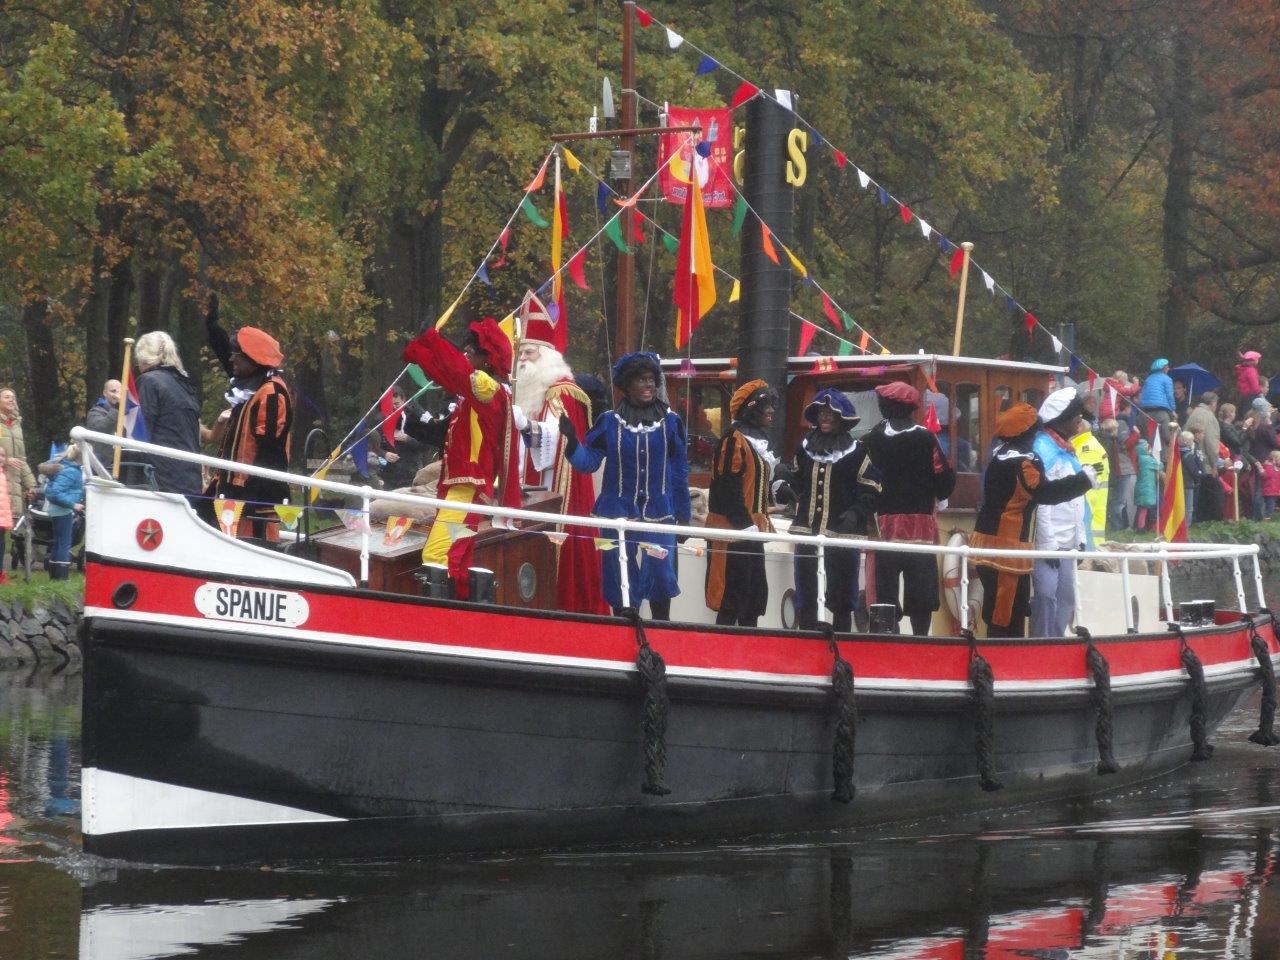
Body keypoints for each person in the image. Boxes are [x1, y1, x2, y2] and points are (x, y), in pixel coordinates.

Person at [562, 352, 691, 620]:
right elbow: (589, 463)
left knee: (661, 572)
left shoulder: (670, 422)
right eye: (642, 380)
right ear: (627, 384)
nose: (649, 385)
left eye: (652, 380)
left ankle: (661, 630)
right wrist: (573, 442)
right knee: (617, 571)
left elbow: (680, 473)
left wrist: (684, 517)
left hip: (660, 513)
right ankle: (621, 630)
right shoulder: (609, 421)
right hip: (614, 511)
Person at [402, 318, 522, 599]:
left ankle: (438, 622)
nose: (466, 355)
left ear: (487, 358)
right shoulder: (477, 392)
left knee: (438, 554)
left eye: (471, 350)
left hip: (468, 486)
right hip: (461, 485)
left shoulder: (487, 388)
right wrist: (419, 352)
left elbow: (456, 370)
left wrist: (431, 341)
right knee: (455, 555)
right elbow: (448, 374)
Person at [512, 304, 607, 616]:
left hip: (556, 489)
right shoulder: (534, 391)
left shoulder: (561, 392)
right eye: (521, 353)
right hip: (532, 487)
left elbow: (558, 439)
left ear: (547, 356)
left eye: (529, 353)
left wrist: (525, 426)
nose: (522, 360)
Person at [973, 403, 1094, 638]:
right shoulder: (1023, 461)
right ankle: (1006, 655)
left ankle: (1002, 651)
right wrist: (1083, 480)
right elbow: (1045, 492)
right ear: (1029, 433)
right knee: (1007, 610)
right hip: (1008, 545)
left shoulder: (999, 455)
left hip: (987, 540)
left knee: (1002, 604)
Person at [779, 388, 881, 633]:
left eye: (830, 414)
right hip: (807, 529)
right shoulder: (805, 448)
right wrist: (784, 485)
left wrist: (856, 512)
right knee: (806, 586)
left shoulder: (856, 451)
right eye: (821, 414)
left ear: (840, 418)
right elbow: (796, 478)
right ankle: (808, 637)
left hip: (844, 532)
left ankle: (842, 640)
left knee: (843, 592)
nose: (824, 419)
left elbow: (872, 488)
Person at [864, 381, 955, 636]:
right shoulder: (927, 438)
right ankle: (920, 638)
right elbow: (943, 475)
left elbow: (863, 479)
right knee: (921, 584)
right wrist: (941, 495)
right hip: (920, 523)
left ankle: (886, 637)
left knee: (885, 585)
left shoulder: (871, 439)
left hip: (884, 523)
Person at [205, 297, 294, 537]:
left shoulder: (272, 393)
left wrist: (250, 498)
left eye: (238, 356)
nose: (232, 359)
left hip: (256, 498)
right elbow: (228, 358)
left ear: (253, 360)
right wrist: (213, 328)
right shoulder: (250, 385)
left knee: (253, 551)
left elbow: (270, 452)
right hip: (232, 491)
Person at [704, 380, 778, 627]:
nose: (771, 411)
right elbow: (726, 487)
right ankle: (720, 652)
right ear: (751, 409)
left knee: (753, 598)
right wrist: (744, 524)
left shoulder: (755, 441)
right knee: (730, 597)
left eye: (771, 405)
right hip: (732, 530)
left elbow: (753, 484)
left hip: (751, 531)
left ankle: (750, 649)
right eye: (765, 405)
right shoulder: (732, 440)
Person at [1031, 388, 1092, 638]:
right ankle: (1040, 646)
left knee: (1066, 598)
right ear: (1061, 420)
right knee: (1046, 595)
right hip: (1049, 543)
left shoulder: (1067, 450)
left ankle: (1057, 643)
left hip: (1068, 543)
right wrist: (1048, 545)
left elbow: (1077, 501)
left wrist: (1080, 539)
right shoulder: (1042, 451)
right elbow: (1042, 501)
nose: (1080, 421)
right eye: (1076, 416)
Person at [132, 332, 203, 498]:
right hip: (190, 476)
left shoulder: (148, 381)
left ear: (144, 358)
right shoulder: (185, 385)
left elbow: (141, 432)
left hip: (160, 476)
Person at [44, 443, 84, 581]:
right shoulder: (72, 471)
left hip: (58, 509)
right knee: (64, 543)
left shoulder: (66, 467)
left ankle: (54, 576)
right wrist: (73, 504)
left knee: (59, 542)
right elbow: (56, 492)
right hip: (63, 509)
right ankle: (61, 578)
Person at [0, 388, 36, 540]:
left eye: (13, 398)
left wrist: (31, 485)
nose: (11, 400)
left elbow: (21, 459)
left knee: (3, 531)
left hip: (11, 483)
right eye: (7, 397)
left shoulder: (16, 425)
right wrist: (6, 461)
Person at [1070, 415, 1109, 545]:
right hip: (1087, 525)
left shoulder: (1088, 449)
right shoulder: (1083, 446)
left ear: (1079, 427)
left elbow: (1086, 489)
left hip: (1089, 525)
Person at [1185, 392, 1223, 521]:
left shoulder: (1194, 413)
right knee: (1216, 491)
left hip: (1192, 458)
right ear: (1212, 403)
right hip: (1205, 462)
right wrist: (1214, 464)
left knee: (1198, 493)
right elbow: (1211, 442)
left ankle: (1197, 520)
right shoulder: (1209, 417)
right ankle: (1213, 521)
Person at [83, 379, 121, 469]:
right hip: (100, 465)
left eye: (120, 392)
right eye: (113, 391)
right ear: (105, 393)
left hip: (120, 464)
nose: (117, 395)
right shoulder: (95, 412)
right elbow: (101, 428)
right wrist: (118, 408)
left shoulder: (127, 413)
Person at [1138, 358, 1176, 438]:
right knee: (1168, 437)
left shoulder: (1148, 379)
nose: (1169, 368)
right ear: (1164, 368)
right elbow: (1170, 396)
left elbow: (1143, 393)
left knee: (1148, 438)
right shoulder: (1167, 379)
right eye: (1167, 366)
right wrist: (1173, 410)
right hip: (1161, 410)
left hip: (1145, 411)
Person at [1134, 438, 1160, 532]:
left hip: (1142, 486)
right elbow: (1159, 465)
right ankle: (1141, 528)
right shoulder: (1147, 459)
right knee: (1144, 509)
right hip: (1147, 487)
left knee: (1142, 508)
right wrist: (1157, 458)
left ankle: (1140, 526)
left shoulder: (1140, 458)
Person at [1179, 429, 1204, 522]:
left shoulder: (1177, 453)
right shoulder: (1188, 455)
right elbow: (1194, 471)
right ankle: (1187, 525)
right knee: (1188, 508)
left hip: (1179, 483)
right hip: (1188, 483)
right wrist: (1200, 475)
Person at [0, 449, 11, 584]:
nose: (1, 458)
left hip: (2, 517)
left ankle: (1, 573)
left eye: (3, 455)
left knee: (2, 545)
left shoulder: (3, 474)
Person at [1261, 451, 1280, 520]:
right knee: (1270, 506)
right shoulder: (1269, 467)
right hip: (1270, 491)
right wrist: (1262, 470)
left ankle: (1268, 515)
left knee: (1271, 505)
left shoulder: (1276, 468)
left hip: (1275, 491)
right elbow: (1265, 475)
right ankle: (1266, 518)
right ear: (1274, 459)